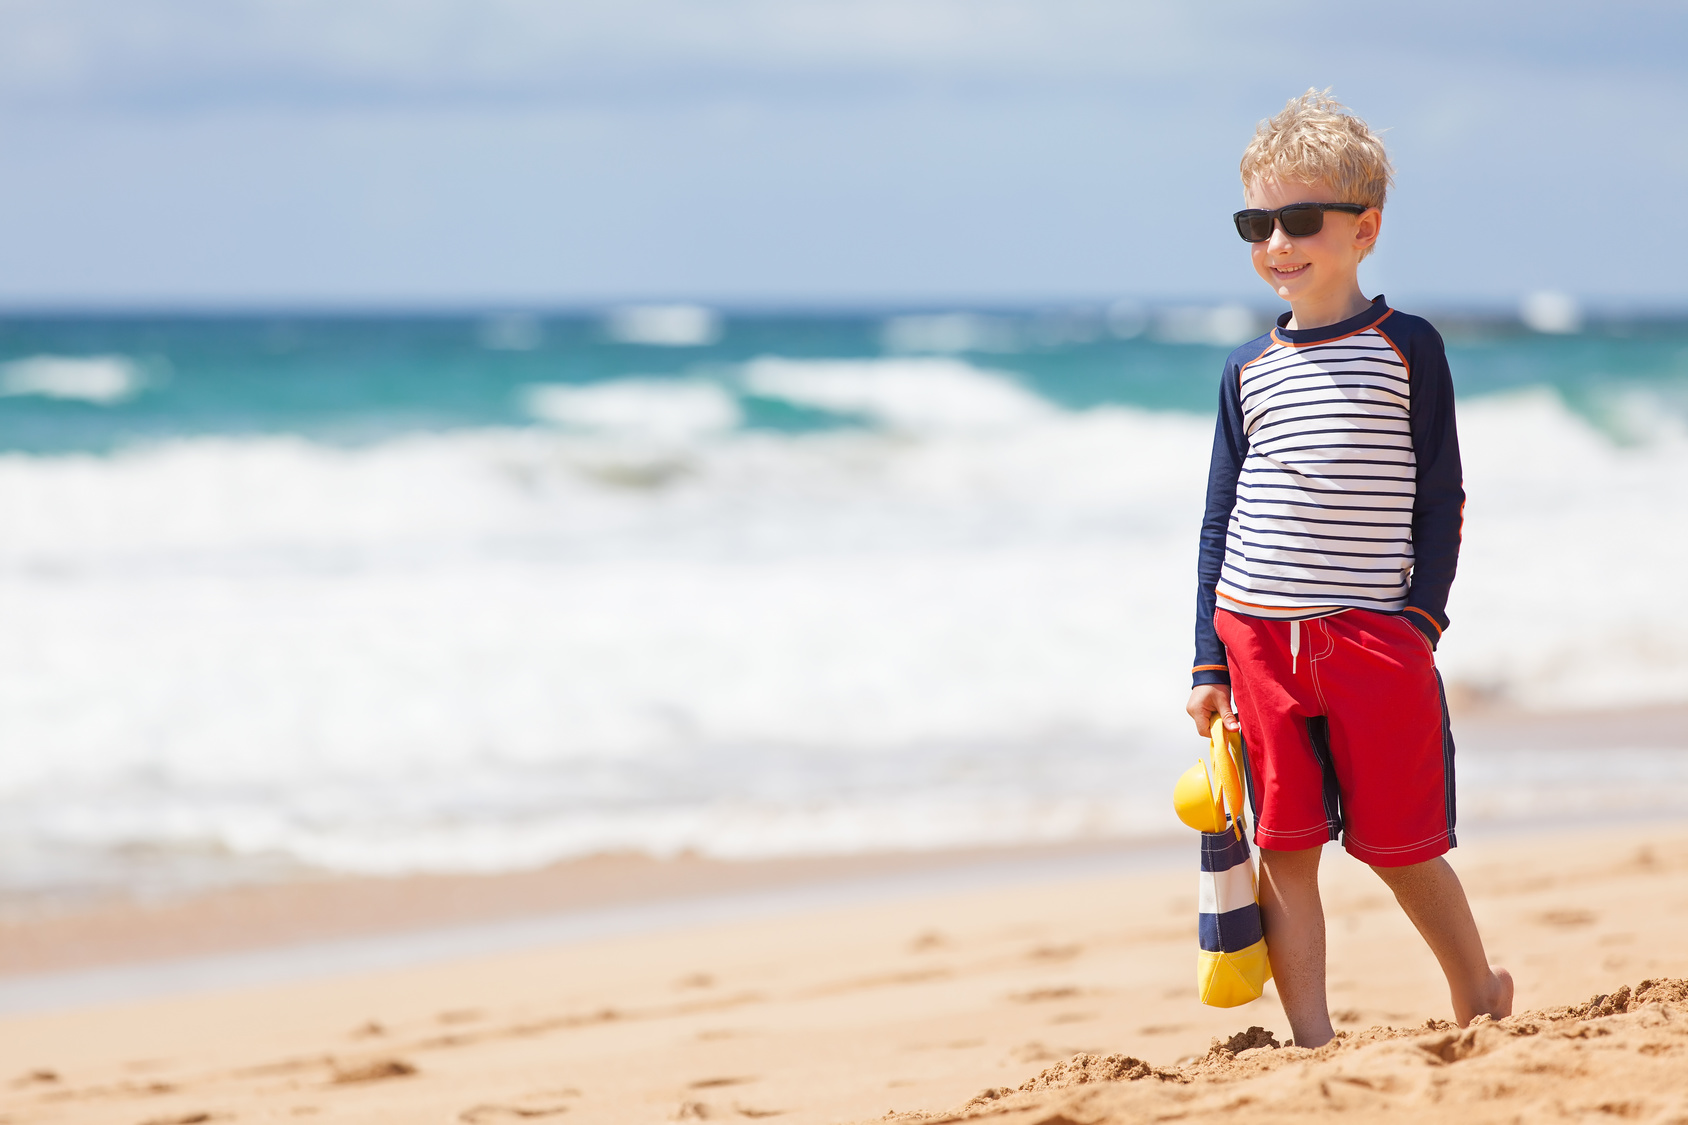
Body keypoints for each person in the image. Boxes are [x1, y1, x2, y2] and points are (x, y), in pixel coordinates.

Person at [1184, 89, 1512, 1048]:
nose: (1277, 243)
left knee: (1401, 844)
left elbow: (1440, 497)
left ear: (1364, 228)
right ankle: (1313, 1039)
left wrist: (1421, 622)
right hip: (1258, 638)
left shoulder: (1409, 349)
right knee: (1284, 846)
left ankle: (1477, 987)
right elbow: (1219, 518)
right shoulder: (1246, 370)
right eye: (1258, 222)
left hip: (1374, 638)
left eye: (1299, 220)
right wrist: (1209, 662)